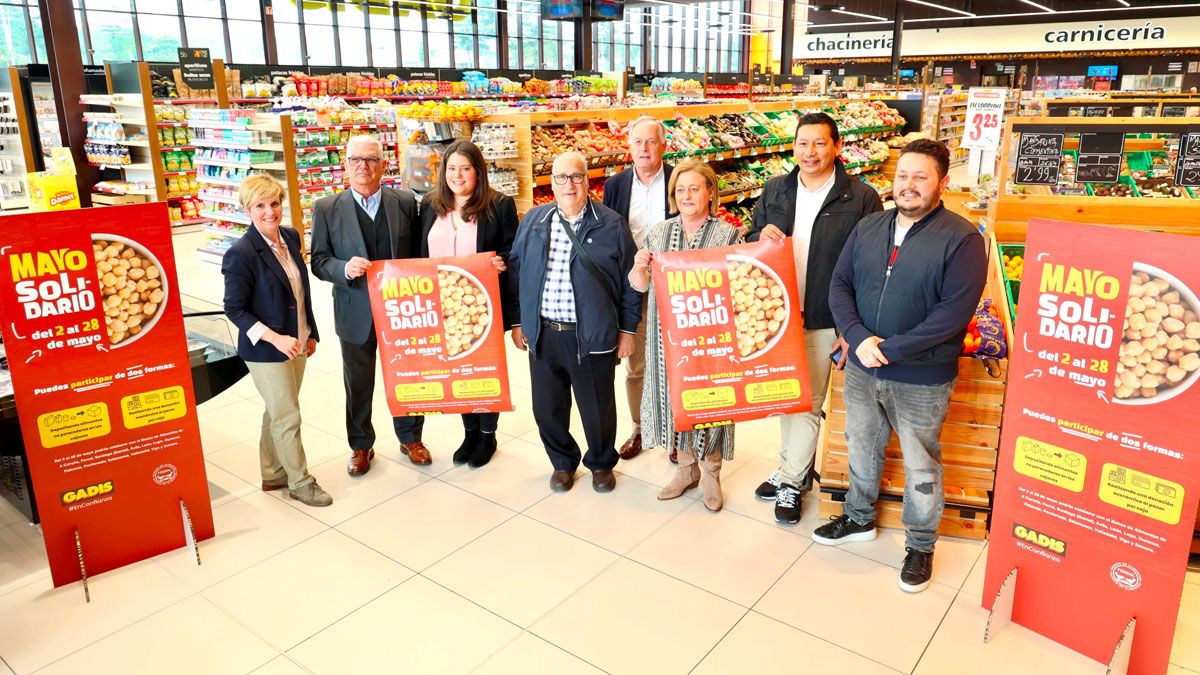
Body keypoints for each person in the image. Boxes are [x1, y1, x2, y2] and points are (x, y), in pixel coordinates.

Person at [815, 138, 987, 593]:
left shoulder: (962, 238)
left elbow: (952, 315)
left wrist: (890, 348)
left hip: (921, 376)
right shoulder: (869, 227)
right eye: (903, 176)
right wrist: (856, 337)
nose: (908, 186)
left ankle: (921, 544)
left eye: (921, 177)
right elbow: (840, 286)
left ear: (943, 182)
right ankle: (858, 517)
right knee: (861, 444)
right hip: (863, 367)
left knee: (921, 461)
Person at [746, 111, 883, 524]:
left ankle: (791, 482)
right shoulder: (774, 189)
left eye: (820, 143)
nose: (811, 152)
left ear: (837, 147)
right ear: (794, 147)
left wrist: (850, 329)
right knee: (787, 398)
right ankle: (794, 469)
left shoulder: (861, 197)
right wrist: (758, 236)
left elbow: (870, 268)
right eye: (803, 143)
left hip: (825, 316)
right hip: (778, 314)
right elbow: (752, 237)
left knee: (806, 402)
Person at [509, 151, 641, 493]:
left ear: (588, 181)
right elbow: (517, 271)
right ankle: (563, 462)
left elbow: (630, 282)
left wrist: (627, 329)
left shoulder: (611, 224)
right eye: (562, 178)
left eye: (577, 177)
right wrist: (519, 321)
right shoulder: (534, 221)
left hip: (592, 334)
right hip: (544, 334)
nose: (570, 185)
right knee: (547, 408)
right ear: (551, 183)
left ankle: (600, 463)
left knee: (597, 408)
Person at [628, 159, 740, 511]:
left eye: (695, 188)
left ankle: (711, 472)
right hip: (669, 339)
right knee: (676, 399)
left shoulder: (728, 234)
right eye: (680, 190)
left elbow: (738, 284)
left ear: (710, 192)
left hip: (712, 338)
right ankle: (687, 467)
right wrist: (638, 267)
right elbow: (641, 286)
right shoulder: (659, 233)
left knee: (713, 403)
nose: (687, 195)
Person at [310, 134, 422, 476]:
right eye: (356, 159)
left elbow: (419, 254)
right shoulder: (327, 208)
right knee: (357, 381)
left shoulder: (404, 202)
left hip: (400, 309)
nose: (364, 166)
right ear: (345, 164)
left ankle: (411, 437)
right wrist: (343, 269)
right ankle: (361, 445)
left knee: (407, 375)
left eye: (371, 159)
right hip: (355, 309)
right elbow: (318, 260)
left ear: (383, 164)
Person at [222, 173, 331, 507]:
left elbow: (300, 292)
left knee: (277, 412)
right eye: (260, 206)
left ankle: (272, 473)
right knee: (288, 416)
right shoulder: (241, 253)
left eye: (274, 203)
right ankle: (300, 482)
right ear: (247, 210)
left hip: (297, 340)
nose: (269, 212)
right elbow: (234, 309)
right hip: (266, 349)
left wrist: (308, 332)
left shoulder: (289, 235)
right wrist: (276, 338)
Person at [417, 140, 518, 468]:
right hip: (444, 306)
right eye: (451, 169)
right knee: (457, 369)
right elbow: (419, 255)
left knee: (484, 368)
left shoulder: (498, 205)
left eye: (465, 168)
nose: (457, 175)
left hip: (483, 307)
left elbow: (511, 251)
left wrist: (501, 261)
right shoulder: (431, 206)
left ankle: (488, 435)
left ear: (478, 171)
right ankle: (469, 432)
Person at [603, 115, 675, 462]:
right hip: (634, 284)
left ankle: (679, 429)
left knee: (679, 358)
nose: (644, 148)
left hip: (676, 282)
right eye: (638, 142)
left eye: (651, 141)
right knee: (636, 361)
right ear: (629, 146)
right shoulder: (616, 185)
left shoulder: (680, 178)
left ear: (664, 145)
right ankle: (640, 426)